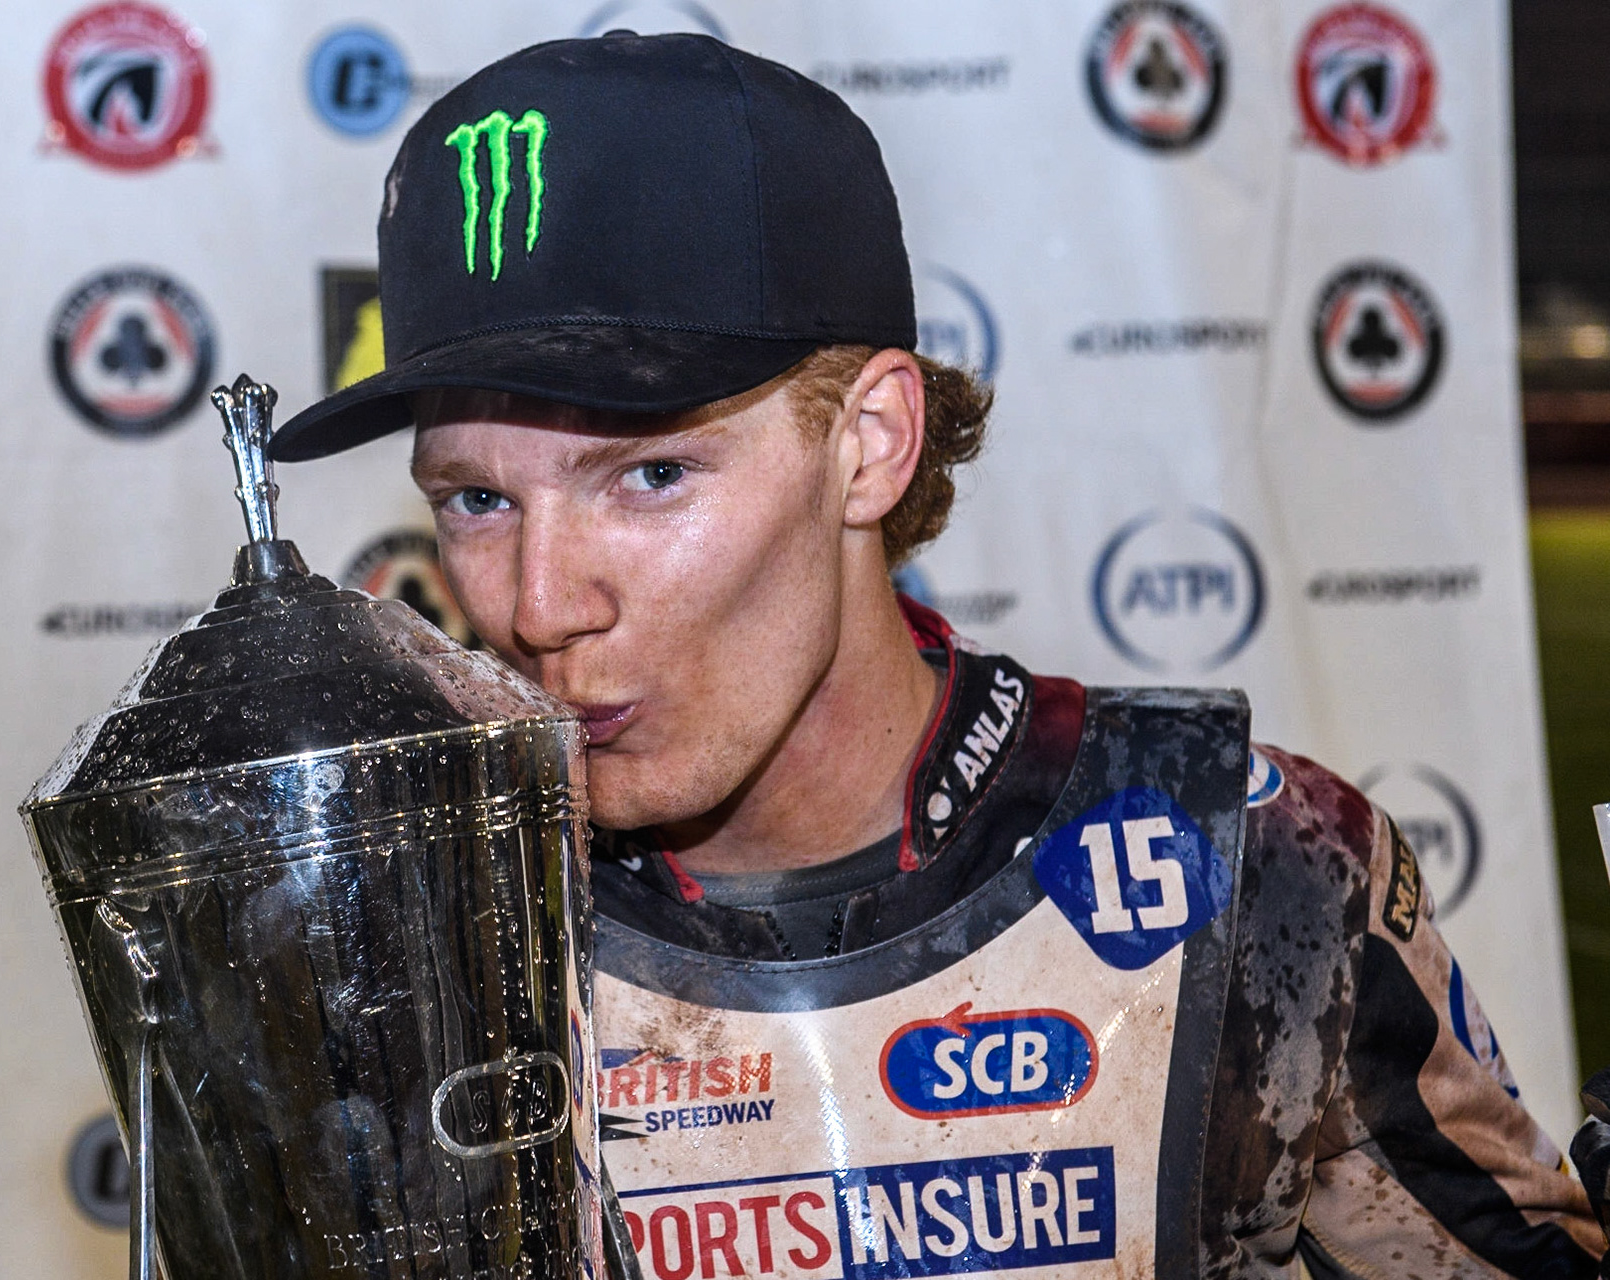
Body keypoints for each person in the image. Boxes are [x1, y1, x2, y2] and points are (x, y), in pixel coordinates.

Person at [270, 31, 1607, 1279]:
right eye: (477, 500)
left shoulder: (1251, 867)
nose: (539, 605)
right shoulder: (403, 952)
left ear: (870, 443)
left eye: (653, 474)